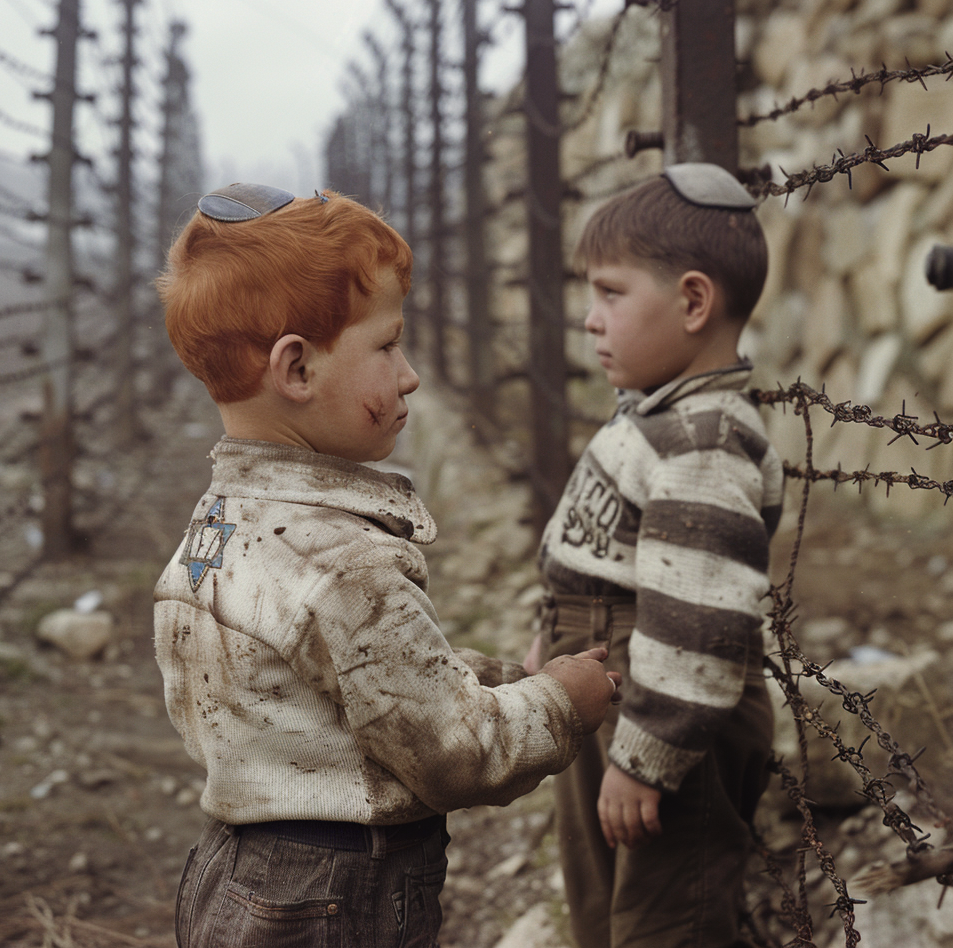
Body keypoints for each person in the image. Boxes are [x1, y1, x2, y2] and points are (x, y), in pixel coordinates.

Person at [152, 183, 619, 948]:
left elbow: (345, 684)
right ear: (296, 370)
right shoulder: (344, 564)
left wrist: (503, 677)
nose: (410, 376)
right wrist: (563, 702)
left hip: (229, 875)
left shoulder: (214, 529)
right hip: (338, 900)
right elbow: (455, 754)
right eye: (387, 345)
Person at [523, 163, 785, 948]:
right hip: (613, 684)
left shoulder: (704, 442)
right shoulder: (658, 415)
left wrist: (648, 757)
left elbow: (699, 620)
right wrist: (557, 636)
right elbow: (608, 556)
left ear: (694, 302)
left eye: (610, 293)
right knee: (605, 911)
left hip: (665, 706)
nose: (589, 320)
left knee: (670, 918)